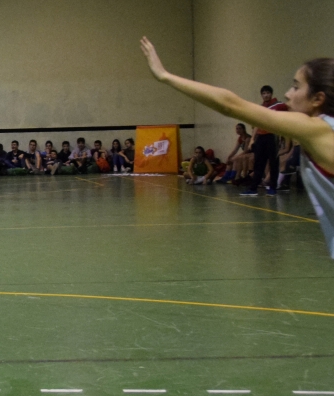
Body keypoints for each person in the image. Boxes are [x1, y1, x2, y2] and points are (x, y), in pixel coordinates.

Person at [141, 39, 334, 249]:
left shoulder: (318, 129)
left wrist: (165, 76)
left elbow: (230, 105)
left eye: (296, 87)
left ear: (318, 99)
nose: (288, 93)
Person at [240, 85, 290, 196]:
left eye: (268, 93)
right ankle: (253, 188)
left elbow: (288, 113)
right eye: (263, 93)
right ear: (261, 95)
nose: (266, 95)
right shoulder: (261, 108)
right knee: (258, 163)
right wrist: (253, 139)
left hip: (273, 136)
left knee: (273, 163)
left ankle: (273, 188)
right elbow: (257, 124)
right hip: (261, 137)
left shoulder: (279, 105)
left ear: (271, 94)